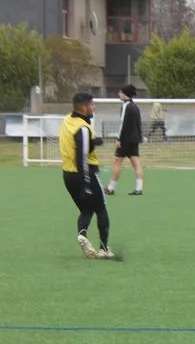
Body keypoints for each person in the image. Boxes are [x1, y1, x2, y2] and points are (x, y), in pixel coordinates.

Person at [60, 92, 114, 259]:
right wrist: (86, 184)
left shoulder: (67, 120)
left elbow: (76, 143)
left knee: (86, 210)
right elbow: (81, 157)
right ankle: (104, 249)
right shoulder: (83, 128)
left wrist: (93, 142)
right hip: (85, 173)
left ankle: (82, 234)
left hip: (68, 175)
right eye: (92, 105)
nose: (94, 107)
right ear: (84, 107)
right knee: (101, 208)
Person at [105, 84, 144, 196]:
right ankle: (139, 188)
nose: (119, 94)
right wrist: (139, 137)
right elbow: (138, 124)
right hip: (134, 139)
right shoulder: (135, 106)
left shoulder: (126, 106)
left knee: (117, 162)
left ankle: (111, 188)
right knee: (136, 163)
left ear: (125, 94)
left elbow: (122, 124)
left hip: (125, 140)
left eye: (120, 92)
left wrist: (119, 139)